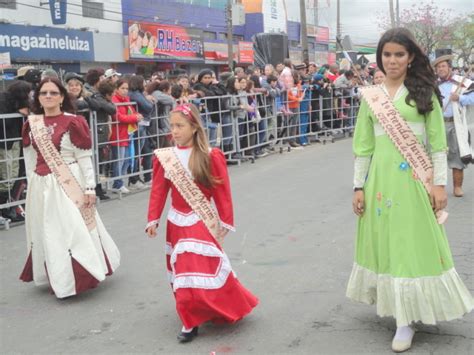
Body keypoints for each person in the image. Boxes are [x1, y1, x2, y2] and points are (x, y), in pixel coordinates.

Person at [347, 28, 473, 353]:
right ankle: (395, 306)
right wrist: (358, 186)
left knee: (410, 243)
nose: (392, 61)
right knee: (388, 241)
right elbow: (363, 147)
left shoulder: (423, 92)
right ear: (380, 58)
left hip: (415, 182)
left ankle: (406, 319)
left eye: (399, 55)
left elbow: (438, 146)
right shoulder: (371, 96)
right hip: (379, 184)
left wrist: (439, 185)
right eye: (387, 55)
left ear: (411, 57)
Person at [145, 103, 258, 343]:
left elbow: (221, 190)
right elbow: (158, 191)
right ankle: (190, 317)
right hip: (176, 220)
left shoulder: (209, 154)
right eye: (172, 126)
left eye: (180, 126)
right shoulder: (165, 157)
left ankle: (202, 312)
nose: (174, 131)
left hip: (200, 218)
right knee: (183, 270)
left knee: (198, 266)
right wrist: (152, 218)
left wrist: (225, 221)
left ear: (194, 127)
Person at [19, 78, 120, 298]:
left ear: (62, 97)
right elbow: (30, 157)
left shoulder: (74, 121)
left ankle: (81, 274)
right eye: (43, 93)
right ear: (38, 97)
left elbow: (84, 158)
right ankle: (55, 273)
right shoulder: (31, 123)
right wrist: (31, 184)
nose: (48, 96)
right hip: (41, 183)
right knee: (48, 229)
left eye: (53, 93)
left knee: (74, 227)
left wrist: (90, 188)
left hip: (68, 182)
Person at [434, 54, 474, 197]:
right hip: (437, 125)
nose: (441, 69)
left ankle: (457, 187)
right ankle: (437, 188)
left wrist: (460, 98)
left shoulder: (461, 82)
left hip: (455, 125)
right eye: (438, 67)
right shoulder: (433, 85)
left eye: (443, 66)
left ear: (450, 68)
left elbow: (472, 98)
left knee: (456, 155)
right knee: (436, 155)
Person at [0, 80, 31, 222]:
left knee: (13, 174)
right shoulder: (4, 101)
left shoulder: (18, 101)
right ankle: (5, 209)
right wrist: (17, 113)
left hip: (14, 141)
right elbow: (3, 123)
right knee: (7, 176)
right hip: (5, 143)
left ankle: (9, 208)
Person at [110, 78, 143, 193]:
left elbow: (133, 112)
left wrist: (137, 115)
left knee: (128, 159)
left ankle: (120, 182)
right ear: (116, 89)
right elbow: (118, 117)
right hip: (118, 134)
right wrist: (135, 117)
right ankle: (117, 184)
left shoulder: (127, 99)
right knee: (119, 160)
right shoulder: (114, 100)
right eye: (122, 88)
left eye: (126, 88)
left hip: (127, 133)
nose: (125, 91)